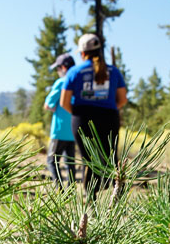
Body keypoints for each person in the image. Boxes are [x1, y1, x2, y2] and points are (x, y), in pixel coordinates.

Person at [60, 34, 128, 194]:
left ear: (83, 53)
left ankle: (91, 202)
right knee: (112, 158)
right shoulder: (114, 72)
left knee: (88, 160)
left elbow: (64, 102)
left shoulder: (74, 72)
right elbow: (123, 99)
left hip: (82, 118)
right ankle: (118, 198)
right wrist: (109, 108)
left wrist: (78, 114)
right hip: (109, 117)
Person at [43, 52, 77, 186]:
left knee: (52, 160)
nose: (57, 71)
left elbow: (48, 105)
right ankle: (72, 190)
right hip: (73, 130)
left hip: (59, 129)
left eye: (57, 68)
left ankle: (59, 189)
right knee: (71, 162)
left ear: (63, 68)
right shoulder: (77, 82)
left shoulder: (61, 82)